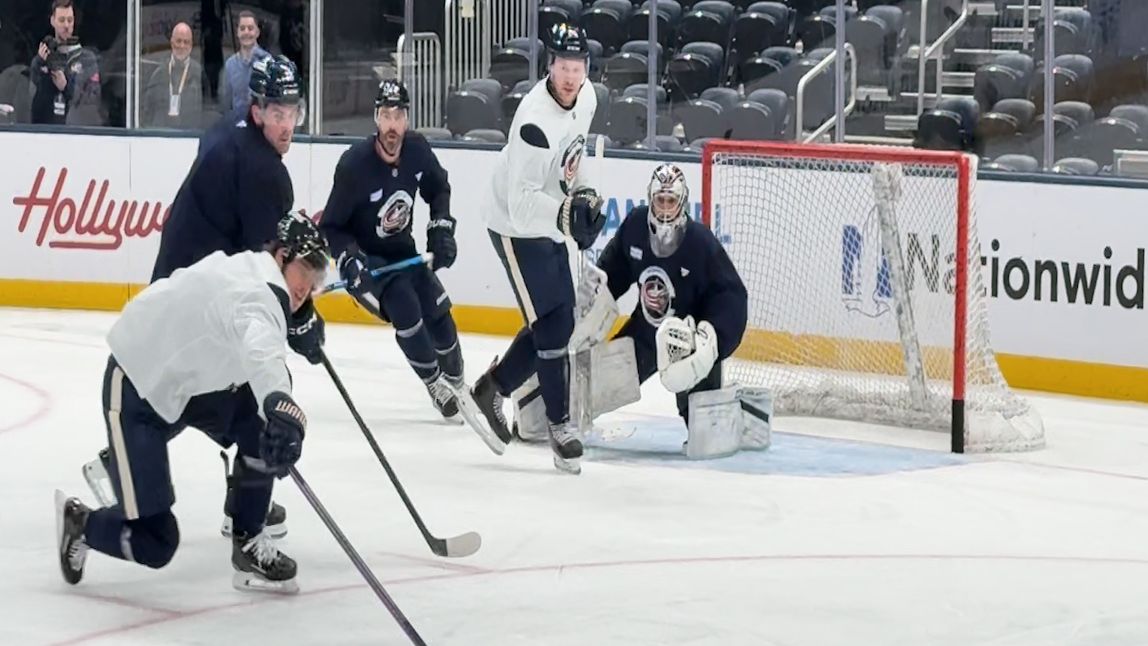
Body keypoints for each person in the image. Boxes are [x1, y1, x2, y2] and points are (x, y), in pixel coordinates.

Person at [85, 55, 315, 540]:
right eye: (275, 111)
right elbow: (268, 268)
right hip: (201, 300)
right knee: (239, 398)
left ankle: (232, 496)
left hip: (183, 286)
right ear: (256, 110)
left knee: (197, 390)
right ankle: (238, 506)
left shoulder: (228, 131)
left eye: (292, 110)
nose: (285, 123)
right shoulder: (264, 172)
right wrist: (302, 320)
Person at [56, 212, 329, 595]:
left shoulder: (255, 269)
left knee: (258, 425)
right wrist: (281, 404)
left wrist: (299, 320)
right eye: (306, 271)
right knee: (156, 541)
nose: (308, 286)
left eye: (316, 278)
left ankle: (248, 540)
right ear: (282, 256)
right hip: (138, 381)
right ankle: (82, 523)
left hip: (190, 380)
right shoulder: (259, 294)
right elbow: (263, 348)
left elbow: (262, 336)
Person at [546, 164, 769, 459]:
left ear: (682, 202)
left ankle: (743, 414)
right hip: (647, 331)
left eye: (671, 201)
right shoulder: (635, 227)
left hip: (689, 340)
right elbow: (615, 271)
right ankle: (551, 417)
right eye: (660, 200)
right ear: (650, 199)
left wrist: (712, 338)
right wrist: (593, 294)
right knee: (594, 390)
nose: (665, 208)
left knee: (707, 439)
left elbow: (732, 298)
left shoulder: (700, 243)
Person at [471, 23, 606, 474]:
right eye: (563, 67)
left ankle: (494, 388)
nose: (570, 76)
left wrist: (584, 195)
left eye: (578, 67)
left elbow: (572, 162)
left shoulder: (586, 97)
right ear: (550, 66)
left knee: (559, 319)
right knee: (552, 322)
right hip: (513, 225)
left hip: (546, 218)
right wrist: (569, 215)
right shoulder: (532, 120)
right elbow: (522, 203)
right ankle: (559, 424)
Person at [321, 79, 469, 420]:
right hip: (371, 264)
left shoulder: (417, 149)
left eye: (398, 115)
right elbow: (331, 226)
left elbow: (438, 188)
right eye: (386, 115)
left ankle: (458, 381)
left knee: (439, 312)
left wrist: (441, 226)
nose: (392, 124)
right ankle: (434, 383)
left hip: (405, 254)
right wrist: (348, 260)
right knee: (406, 307)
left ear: (407, 119)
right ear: (376, 119)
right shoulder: (354, 166)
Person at [29, 0, 101, 126]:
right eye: (62, 20)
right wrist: (40, 65)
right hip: (45, 133)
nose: (66, 25)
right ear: (53, 21)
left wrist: (66, 87)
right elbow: (31, 106)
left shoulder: (87, 59)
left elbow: (92, 103)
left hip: (77, 133)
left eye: (70, 20)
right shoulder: (41, 61)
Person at [141, 22, 204, 129]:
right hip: (160, 134)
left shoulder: (199, 74)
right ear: (171, 42)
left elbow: (205, 110)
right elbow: (147, 110)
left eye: (186, 42)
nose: (182, 46)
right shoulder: (158, 73)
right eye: (178, 41)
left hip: (190, 134)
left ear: (191, 45)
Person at [218, 10, 269, 115]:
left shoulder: (267, 62)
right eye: (242, 28)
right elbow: (225, 105)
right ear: (237, 32)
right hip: (237, 127)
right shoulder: (230, 65)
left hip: (261, 128)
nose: (246, 32)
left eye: (250, 28)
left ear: (257, 32)